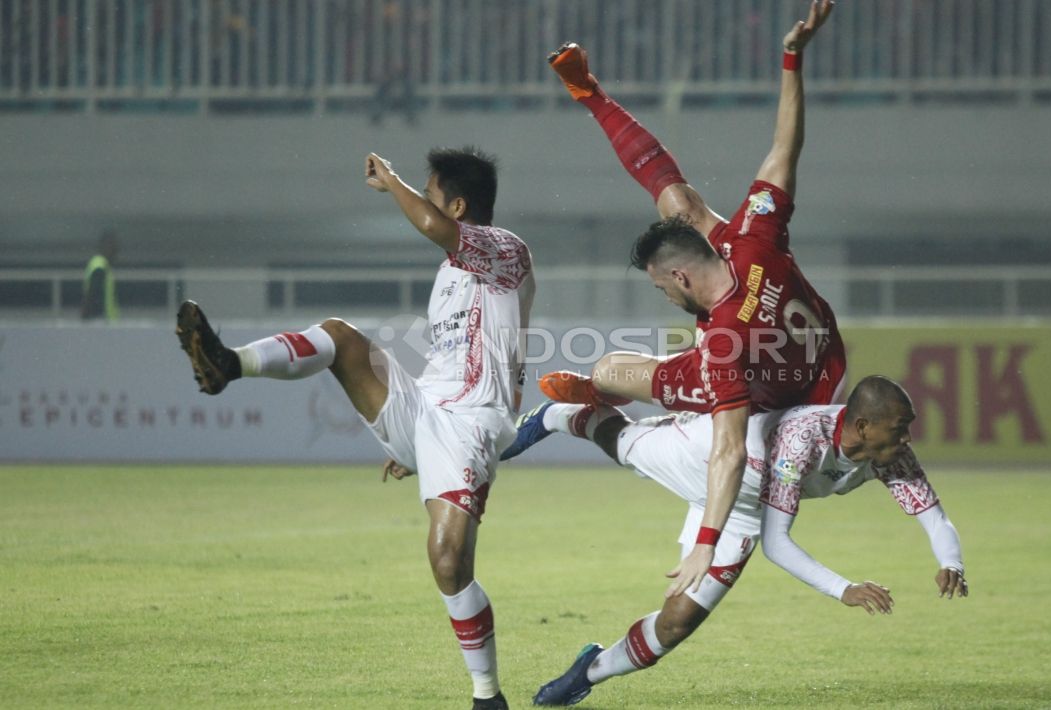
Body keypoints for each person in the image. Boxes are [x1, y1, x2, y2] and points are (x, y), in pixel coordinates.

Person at [174, 146, 533, 710]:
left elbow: (433, 227)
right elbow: (456, 355)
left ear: (459, 205)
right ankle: (228, 363)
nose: (423, 199)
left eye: (431, 190)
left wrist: (391, 181)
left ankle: (487, 696)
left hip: (470, 422)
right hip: (426, 411)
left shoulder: (507, 251)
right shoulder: (448, 276)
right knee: (340, 336)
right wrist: (414, 439)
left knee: (447, 560)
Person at [531, 0, 844, 599]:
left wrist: (705, 537)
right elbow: (785, 149)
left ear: (679, 278)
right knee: (680, 203)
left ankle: (594, 400)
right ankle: (591, 94)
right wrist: (792, 57)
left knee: (612, 369)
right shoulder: (756, 238)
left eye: (659, 286)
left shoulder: (723, 341)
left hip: (787, 408)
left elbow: (728, 449)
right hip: (824, 357)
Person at [505, 376, 966, 706]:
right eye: (899, 427)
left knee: (676, 625)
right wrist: (843, 588)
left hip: (743, 508)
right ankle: (563, 415)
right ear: (863, 425)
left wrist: (952, 562)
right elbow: (778, 544)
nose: (908, 437)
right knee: (623, 443)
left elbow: (933, 515)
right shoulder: (803, 439)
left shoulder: (888, 454)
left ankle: (588, 670)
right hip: (709, 457)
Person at [81, 229, 119, 322]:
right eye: (113, 247)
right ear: (104, 246)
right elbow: (93, 294)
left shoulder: (100, 264)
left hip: (102, 322)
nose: (115, 251)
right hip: (100, 322)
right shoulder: (100, 266)